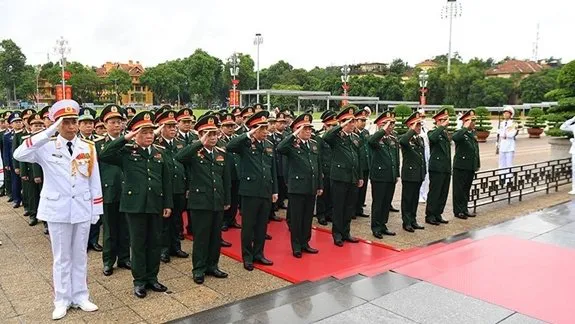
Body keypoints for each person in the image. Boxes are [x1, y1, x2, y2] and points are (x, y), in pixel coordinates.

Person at [13, 99, 102, 320]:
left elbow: (94, 179)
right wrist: (48, 131)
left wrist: (96, 209)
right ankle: (62, 299)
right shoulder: (46, 146)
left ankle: (81, 295)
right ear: (56, 124)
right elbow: (19, 154)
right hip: (57, 208)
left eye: (74, 122)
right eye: (66, 122)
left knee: (80, 255)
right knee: (61, 257)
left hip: (81, 206)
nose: (71, 127)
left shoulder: (87, 147)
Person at [99, 111, 173, 298]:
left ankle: (152, 278)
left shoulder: (159, 153)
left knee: (155, 242)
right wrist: (125, 138)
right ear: (135, 134)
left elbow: (166, 181)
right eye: (143, 132)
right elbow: (104, 155)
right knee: (139, 244)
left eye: (150, 132)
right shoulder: (126, 152)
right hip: (135, 205)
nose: (149, 136)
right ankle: (139, 281)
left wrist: (167, 204)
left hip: (155, 204)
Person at [176, 114, 230, 284]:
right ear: (200, 135)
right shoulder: (194, 152)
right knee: (201, 237)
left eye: (214, 134)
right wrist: (199, 143)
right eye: (208, 134)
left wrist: (226, 199)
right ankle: (199, 268)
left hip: (217, 200)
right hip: (200, 202)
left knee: (215, 236)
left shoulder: (221, 153)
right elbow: (179, 157)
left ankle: (212, 266)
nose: (212, 138)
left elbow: (226, 179)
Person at [227, 111, 278, 271]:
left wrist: (275, 190)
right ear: (254, 130)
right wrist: (248, 134)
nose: (266, 131)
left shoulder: (269, 144)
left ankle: (259, 253)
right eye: (262, 129)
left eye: (266, 128)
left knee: (262, 225)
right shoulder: (245, 144)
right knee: (248, 226)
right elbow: (230, 146)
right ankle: (247, 256)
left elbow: (273, 169)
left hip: (265, 190)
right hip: (250, 191)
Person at [277, 113, 322, 258]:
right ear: (297, 129)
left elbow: (318, 166)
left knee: (307, 217)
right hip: (297, 187)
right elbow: (280, 148)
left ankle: (305, 243)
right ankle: (296, 246)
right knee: (296, 218)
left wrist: (319, 185)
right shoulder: (291, 145)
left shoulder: (314, 144)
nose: (309, 131)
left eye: (310, 128)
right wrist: (294, 134)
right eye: (305, 129)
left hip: (311, 186)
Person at [95, 105, 131, 276]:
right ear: (104, 124)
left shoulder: (129, 141)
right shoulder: (98, 145)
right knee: (109, 229)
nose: (117, 125)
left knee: (125, 227)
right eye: (113, 122)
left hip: (127, 191)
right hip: (108, 190)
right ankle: (108, 261)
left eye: (119, 122)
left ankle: (124, 258)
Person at [323, 106, 363, 246]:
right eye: (349, 122)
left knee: (349, 207)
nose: (352, 124)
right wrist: (341, 125)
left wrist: (360, 177)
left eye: (353, 122)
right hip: (339, 177)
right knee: (339, 207)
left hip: (352, 177)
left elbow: (358, 158)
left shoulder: (355, 138)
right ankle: (337, 234)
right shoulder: (336, 138)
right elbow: (326, 137)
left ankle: (346, 232)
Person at [154, 110, 189, 262]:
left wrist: (187, 186)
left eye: (174, 126)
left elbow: (186, 165)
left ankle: (176, 247)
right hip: (163, 189)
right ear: (161, 128)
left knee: (177, 220)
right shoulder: (156, 144)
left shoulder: (180, 142)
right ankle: (164, 249)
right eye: (169, 126)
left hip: (179, 187)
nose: (173, 129)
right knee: (164, 222)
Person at [368, 111, 399, 238]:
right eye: (388, 124)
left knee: (387, 202)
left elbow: (396, 158)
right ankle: (375, 227)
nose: (391, 127)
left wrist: (396, 173)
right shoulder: (376, 138)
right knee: (378, 202)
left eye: (392, 124)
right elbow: (371, 141)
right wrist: (383, 129)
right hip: (379, 177)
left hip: (390, 176)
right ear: (381, 125)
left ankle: (383, 224)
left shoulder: (392, 139)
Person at [79, 107, 104, 252]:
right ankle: (83, 241)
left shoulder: (100, 141)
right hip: (81, 181)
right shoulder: (75, 141)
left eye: (90, 123)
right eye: (85, 123)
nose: (89, 126)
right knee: (82, 212)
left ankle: (93, 240)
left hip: (96, 181)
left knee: (96, 211)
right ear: (79, 125)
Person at [399, 112, 426, 233]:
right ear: (410, 126)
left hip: (418, 174)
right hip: (409, 174)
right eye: (416, 125)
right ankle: (407, 222)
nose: (419, 128)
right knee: (408, 199)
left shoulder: (420, 138)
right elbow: (403, 141)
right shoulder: (406, 138)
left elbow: (421, 157)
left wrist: (423, 171)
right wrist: (412, 130)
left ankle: (413, 220)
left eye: (419, 125)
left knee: (414, 198)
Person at [452, 110, 480, 219]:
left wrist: (476, 164)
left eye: (474, 121)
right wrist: (464, 127)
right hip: (461, 166)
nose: (474, 123)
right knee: (459, 190)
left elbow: (475, 151)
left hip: (470, 166)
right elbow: (455, 138)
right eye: (472, 121)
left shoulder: (471, 133)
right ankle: (458, 211)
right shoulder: (461, 132)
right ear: (466, 121)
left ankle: (464, 209)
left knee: (466, 190)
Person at [425, 109, 451, 225]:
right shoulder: (432, 132)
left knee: (443, 192)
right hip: (436, 167)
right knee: (435, 192)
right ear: (437, 121)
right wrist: (441, 127)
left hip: (445, 168)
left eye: (446, 120)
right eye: (443, 120)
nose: (446, 122)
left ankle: (438, 213)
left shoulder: (445, 133)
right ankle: (430, 215)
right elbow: (432, 139)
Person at [218, 112, 242, 231]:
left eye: (232, 126)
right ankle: (224, 221)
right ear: (221, 127)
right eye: (227, 126)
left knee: (234, 198)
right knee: (225, 198)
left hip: (236, 172)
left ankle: (232, 219)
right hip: (224, 173)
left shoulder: (237, 139)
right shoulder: (218, 140)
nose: (230, 128)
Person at [314, 111, 337, 226]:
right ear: (325, 125)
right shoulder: (320, 138)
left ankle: (329, 213)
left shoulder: (335, 138)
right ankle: (321, 214)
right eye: (330, 126)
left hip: (333, 170)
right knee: (323, 194)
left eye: (334, 125)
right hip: (324, 169)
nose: (333, 128)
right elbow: (317, 156)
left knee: (332, 194)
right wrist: (320, 171)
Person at [354, 108, 370, 218]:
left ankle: (359, 208)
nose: (364, 123)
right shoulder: (353, 133)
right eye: (361, 120)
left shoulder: (366, 132)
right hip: (356, 166)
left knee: (363, 188)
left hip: (365, 165)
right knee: (355, 189)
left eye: (365, 120)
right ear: (355, 121)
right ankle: (353, 210)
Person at [497, 106, 518, 181]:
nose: (505, 115)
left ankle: (508, 180)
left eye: (507, 113)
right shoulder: (501, 123)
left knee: (509, 163)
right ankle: (501, 178)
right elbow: (499, 133)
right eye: (504, 113)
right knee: (501, 163)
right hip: (502, 145)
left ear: (510, 114)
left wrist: (504, 133)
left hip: (510, 146)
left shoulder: (514, 123)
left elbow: (511, 134)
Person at [417, 109, 431, 203]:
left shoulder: (425, 129)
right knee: (420, 173)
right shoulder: (416, 130)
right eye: (421, 117)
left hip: (427, 150)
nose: (423, 119)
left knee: (427, 174)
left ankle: (425, 193)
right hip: (420, 151)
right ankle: (419, 194)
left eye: (424, 117)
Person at [560, 116, 575, 194]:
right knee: (574, 170)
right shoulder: (574, 126)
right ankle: (574, 188)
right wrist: (572, 119)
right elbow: (562, 127)